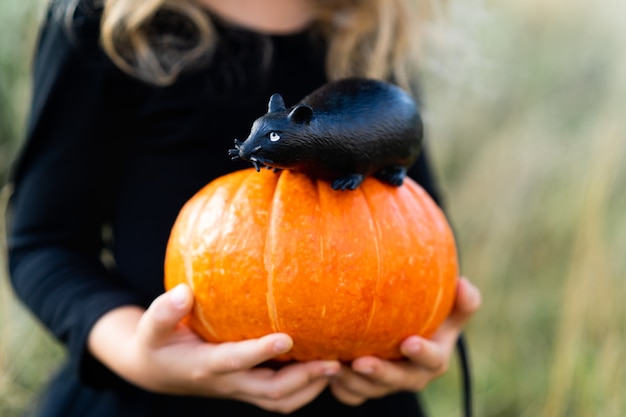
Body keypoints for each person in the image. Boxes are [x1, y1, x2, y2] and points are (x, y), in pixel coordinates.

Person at [6, 0, 482, 416]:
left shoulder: (369, 29)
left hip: (358, 402)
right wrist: (137, 352)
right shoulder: (105, 21)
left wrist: (430, 333)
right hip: (157, 402)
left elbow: (416, 228)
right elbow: (44, 243)